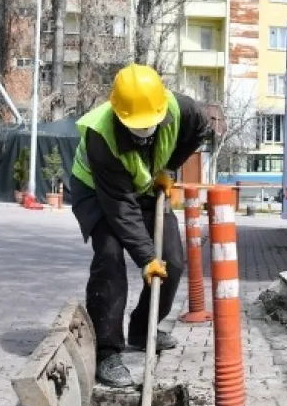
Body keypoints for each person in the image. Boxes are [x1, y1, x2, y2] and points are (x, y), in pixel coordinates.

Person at [71, 63, 211, 387]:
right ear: (119, 114)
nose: (145, 133)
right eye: (137, 127)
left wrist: (171, 167)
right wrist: (146, 257)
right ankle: (106, 352)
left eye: (151, 125)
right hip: (98, 191)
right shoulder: (100, 135)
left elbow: (200, 130)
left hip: (147, 185)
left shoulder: (182, 109)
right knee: (109, 257)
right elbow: (120, 208)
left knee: (172, 262)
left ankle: (142, 330)